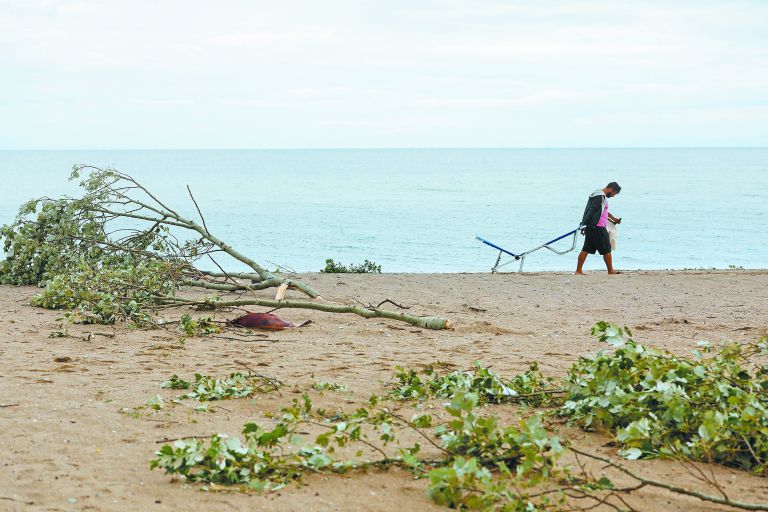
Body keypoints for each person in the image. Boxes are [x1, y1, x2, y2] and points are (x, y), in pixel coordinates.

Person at [575, 182, 622, 275]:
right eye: (613, 194)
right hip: (598, 227)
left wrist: (613, 219)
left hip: (592, 226)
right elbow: (591, 210)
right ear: (611, 189)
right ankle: (610, 271)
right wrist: (583, 224)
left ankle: (578, 270)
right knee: (607, 249)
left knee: (586, 248)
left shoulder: (598, 195)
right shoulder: (600, 197)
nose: (613, 196)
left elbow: (602, 211)